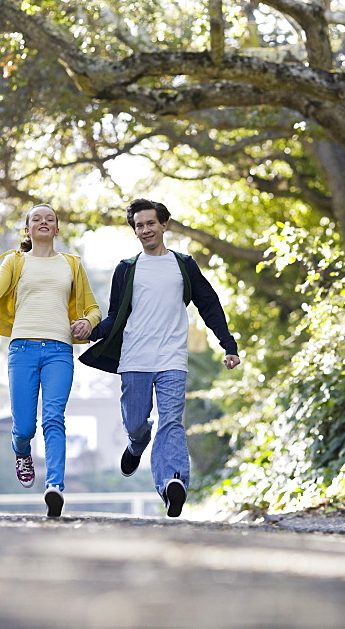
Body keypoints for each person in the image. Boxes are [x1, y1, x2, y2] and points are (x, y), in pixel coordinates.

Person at [79, 199, 241, 517]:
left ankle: (172, 482)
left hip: (172, 359)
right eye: (139, 225)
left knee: (172, 422)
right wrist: (91, 331)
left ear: (164, 225)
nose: (145, 230)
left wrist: (228, 345)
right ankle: (137, 442)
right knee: (136, 421)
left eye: (150, 223)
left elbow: (209, 304)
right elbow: (115, 317)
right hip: (134, 360)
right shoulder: (127, 269)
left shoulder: (183, 265)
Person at [0, 203, 100, 518]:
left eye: (50, 219)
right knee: (23, 428)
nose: (44, 222)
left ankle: (55, 486)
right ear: (27, 229)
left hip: (60, 350)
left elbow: (93, 308)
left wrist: (88, 322)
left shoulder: (71, 265)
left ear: (57, 229)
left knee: (54, 419)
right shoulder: (14, 262)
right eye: (36, 219)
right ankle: (22, 453)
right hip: (23, 350)